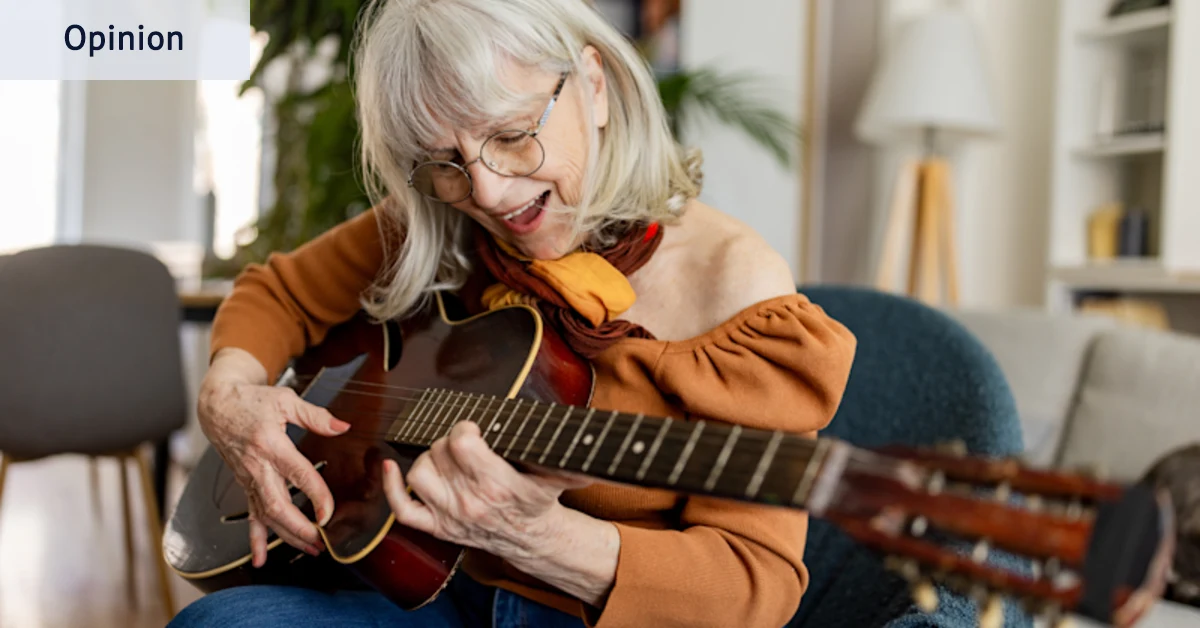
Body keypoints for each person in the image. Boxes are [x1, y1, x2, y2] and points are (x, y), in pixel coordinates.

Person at [169, 0, 857, 626]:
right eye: (444, 161)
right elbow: (278, 293)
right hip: (435, 594)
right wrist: (229, 396)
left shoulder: (735, 287)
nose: (490, 194)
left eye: (511, 134)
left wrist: (541, 538)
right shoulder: (445, 216)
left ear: (595, 86)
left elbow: (756, 585)